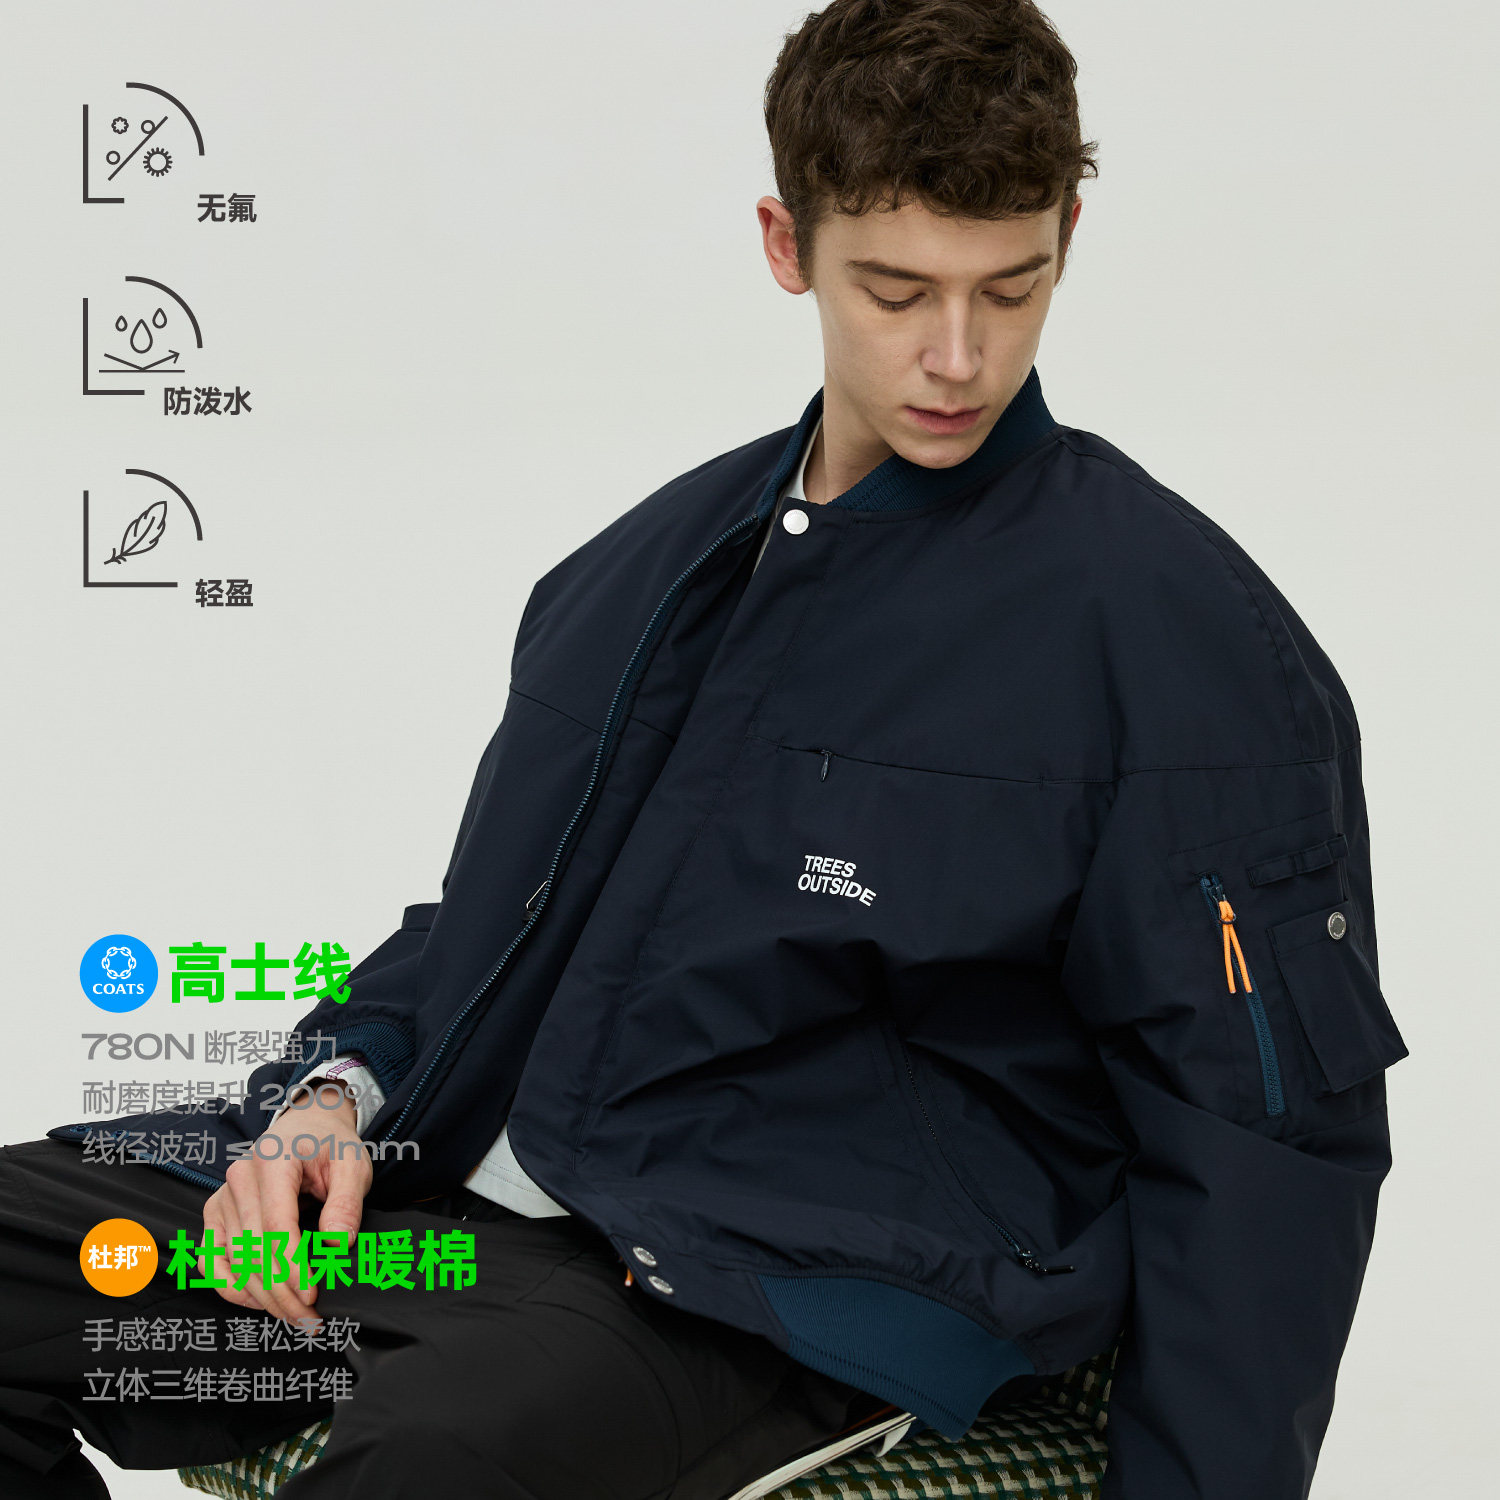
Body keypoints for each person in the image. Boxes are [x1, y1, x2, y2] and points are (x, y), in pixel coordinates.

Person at [3, 2, 1409, 1496]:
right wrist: (332, 1096)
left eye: (1011, 288)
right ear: (786, 246)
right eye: (895, 290)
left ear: (1069, 234)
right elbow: (484, 935)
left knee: (429, 1463)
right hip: (437, 1220)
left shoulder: (1174, 637)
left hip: (759, 1290)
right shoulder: (643, 571)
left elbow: (1266, 1146)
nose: (957, 356)